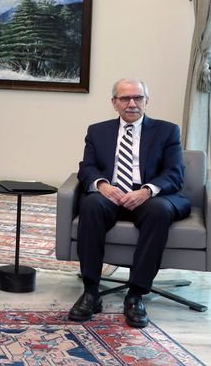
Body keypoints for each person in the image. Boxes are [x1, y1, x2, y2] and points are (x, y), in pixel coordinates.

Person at [68, 78, 191, 328]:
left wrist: (147, 190)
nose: (132, 103)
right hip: (111, 193)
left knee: (159, 211)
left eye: (138, 98)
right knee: (90, 205)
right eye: (125, 98)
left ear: (147, 101)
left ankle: (135, 295)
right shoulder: (97, 131)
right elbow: (87, 167)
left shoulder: (167, 131)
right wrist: (102, 185)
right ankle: (91, 291)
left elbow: (174, 172)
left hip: (149, 195)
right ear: (114, 103)